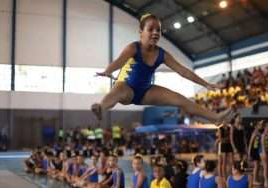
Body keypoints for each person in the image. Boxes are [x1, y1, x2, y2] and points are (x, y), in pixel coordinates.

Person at [91, 13, 232, 124]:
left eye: (158, 30)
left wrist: (206, 84)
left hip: (146, 91)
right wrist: (108, 71)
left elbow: (183, 71)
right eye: (150, 29)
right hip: (127, 88)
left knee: (181, 99)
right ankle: (100, 108)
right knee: (117, 91)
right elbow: (119, 62)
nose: (155, 33)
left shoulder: (162, 54)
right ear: (141, 31)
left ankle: (215, 117)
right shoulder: (133, 48)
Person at [248, 120, 262, 186]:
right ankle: (254, 180)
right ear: (256, 126)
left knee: (258, 166)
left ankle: (256, 179)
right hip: (254, 150)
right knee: (256, 166)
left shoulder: (258, 132)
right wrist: (249, 153)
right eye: (259, 125)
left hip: (256, 150)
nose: (260, 126)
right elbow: (250, 143)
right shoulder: (254, 133)